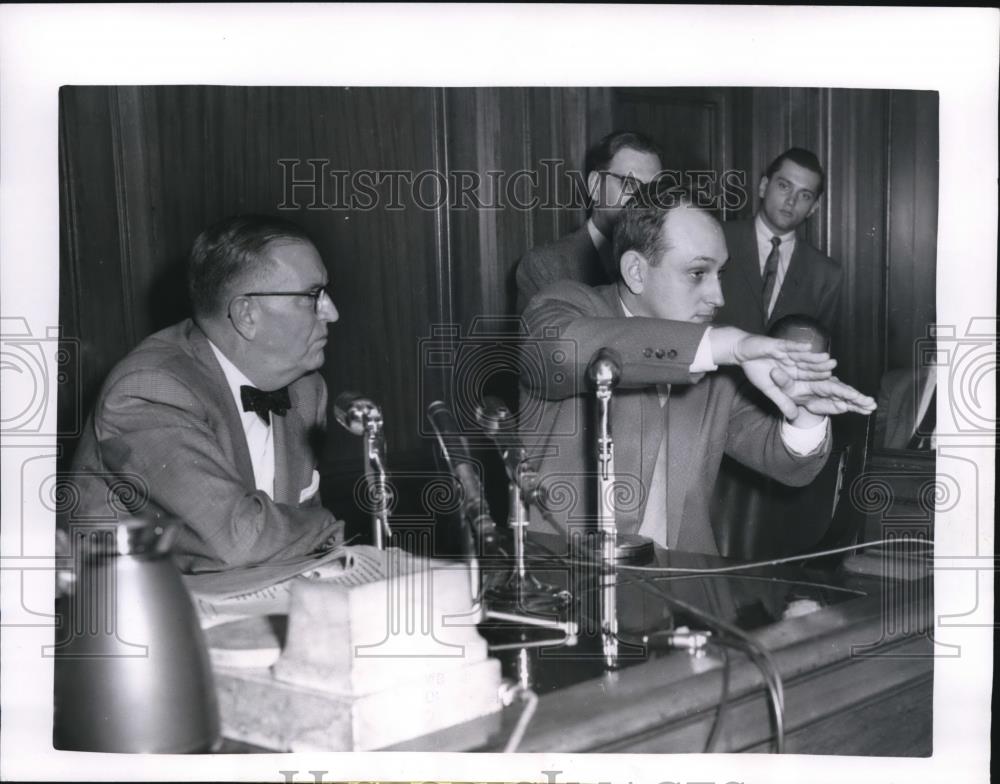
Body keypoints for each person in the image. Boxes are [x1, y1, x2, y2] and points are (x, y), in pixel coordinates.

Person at [518, 189, 875, 555]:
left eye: (720, 273)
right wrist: (720, 346)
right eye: (697, 273)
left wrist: (806, 412)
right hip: (566, 586)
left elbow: (786, 463)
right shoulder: (566, 306)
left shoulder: (715, 357)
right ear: (636, 272)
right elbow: (561, 352)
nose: (718, 297)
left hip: (683, 590)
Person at [67, 215, 344, 573]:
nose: (332, 312)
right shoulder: (148, 389)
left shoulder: (306, 389)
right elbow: (238, 543)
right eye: (311, 296)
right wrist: (326, 524)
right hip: (132, 614)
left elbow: (287, 541)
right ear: (247, 314)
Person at [514, 130, 663, 312]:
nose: (644, 200)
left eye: (654, 189)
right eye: (629, 184)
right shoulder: (545, 268)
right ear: (594, 185)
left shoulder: (666, 259)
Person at [716, 147, 842, 336]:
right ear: (764, 186)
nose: (791, 201)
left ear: (813, 208)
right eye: (784, 186)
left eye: (805, 195)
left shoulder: (825, 274)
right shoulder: (718, 238)